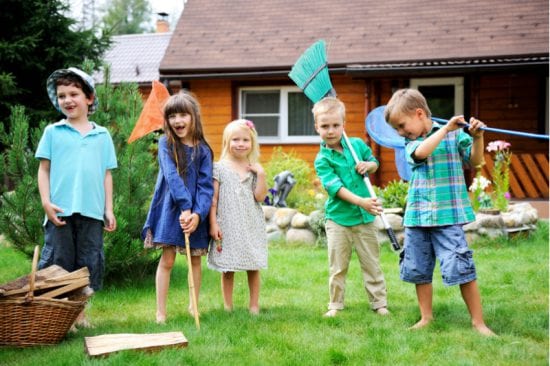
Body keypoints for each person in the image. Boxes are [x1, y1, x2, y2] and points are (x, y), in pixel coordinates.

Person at [384, 88, 495, 336]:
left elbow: (475, 161)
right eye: (398, 129)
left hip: (448, 216)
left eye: (402, 125)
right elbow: (421, 153)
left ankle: (478, 322)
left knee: (462, 266)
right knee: (419, 269)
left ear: (419, 113)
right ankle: (426, 317)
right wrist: (445, 130)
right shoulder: (412, 141)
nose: (401, 132)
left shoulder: (456, 137)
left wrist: (477, 137)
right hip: (419, 216)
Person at [36, 67, 117, 327]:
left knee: (87, 263)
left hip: (92, 211)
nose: (67, 100)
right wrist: (46, 203)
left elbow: (106, 175)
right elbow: (44, 169)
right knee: (58, 263)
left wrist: (109, 209)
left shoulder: (102, 135)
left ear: (89, 98)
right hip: (59, 210)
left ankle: (79, 316)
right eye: (61, 96)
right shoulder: (53, 132)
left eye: (74, 93)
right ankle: (59, 318)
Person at [312, 97, 389, 318]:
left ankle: (379, 303)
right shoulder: (322, 159)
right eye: (325, 126)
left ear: (343, 125)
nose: (330, 131)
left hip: (365, 219)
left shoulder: (356, 145)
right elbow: (336, 189)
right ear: (317, 127)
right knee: (338, 267)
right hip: (338, 220)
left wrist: (370, 165)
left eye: (335, 125)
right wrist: (362, 202)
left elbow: (373, 161)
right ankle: (335, 304)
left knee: (371, 263)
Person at [142, 91, 213, 324]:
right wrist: (184, 207)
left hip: (195, 214)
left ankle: (194, 306)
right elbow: (172, 177)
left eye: (183, 115)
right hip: (171, 210)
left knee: (194, 260)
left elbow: (205, 186)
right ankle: (161, 312)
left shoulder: (203, 150)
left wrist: (197, 214)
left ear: (194, 117)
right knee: (168, 260)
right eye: (172, 116)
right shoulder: (166, 144)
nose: (177, 121)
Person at [207, 119, 268, 314]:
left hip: (250, 222)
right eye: (235, 140)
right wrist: (213, 223)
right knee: (228, 266)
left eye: (245, 140)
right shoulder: (219, 168)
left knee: (253, 264)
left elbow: (259, 197)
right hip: (228, 223)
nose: (240, 144)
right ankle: (228, 306)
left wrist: (262, 175)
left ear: (252, 143)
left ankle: (254, 305)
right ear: (226, 142)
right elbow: (213, 199)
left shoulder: (253, 168)